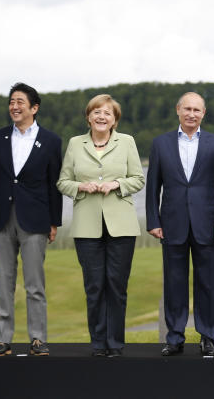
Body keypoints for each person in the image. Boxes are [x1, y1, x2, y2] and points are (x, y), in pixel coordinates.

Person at [56, 94, 145, 358]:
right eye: (96, 112)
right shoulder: (75, 143)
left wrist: (117, 184)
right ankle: (98, 343)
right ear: (88, 117)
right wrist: (80, 187)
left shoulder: (127, 142)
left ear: (114, 119)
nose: (101, 117)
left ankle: (115, 343)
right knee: (94, 286)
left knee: (116, 286)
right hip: (87, 226)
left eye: (107, 113)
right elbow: (63, 182)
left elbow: (138, 179)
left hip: (122, 226)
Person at [146, 92, 214, 358]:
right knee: (174, 283)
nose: (191, 114)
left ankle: (208, 336)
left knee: (207, 283)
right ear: (178, 110)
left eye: (197, 110)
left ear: (203, 113)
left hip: (207, 224)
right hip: (172, 223)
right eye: (187, 109)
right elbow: (153, 188)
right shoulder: (160, 144)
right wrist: (153, 220)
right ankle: (175, 338)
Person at [0, 83, 62, 357]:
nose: (14, 107)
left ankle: (38, 338)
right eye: (11, 102)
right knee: (4, 281)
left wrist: (54, 222)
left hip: (36, 218)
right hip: (2, 217)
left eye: (20, 102)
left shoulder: (51, 141)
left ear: (34, 108)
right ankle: (3, 338)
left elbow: (54, 184)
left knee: (34, 283)